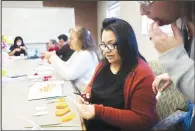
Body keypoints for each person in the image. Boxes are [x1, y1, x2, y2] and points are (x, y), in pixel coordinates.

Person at [75, 18, 159, 131]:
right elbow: (91, 86)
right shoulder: (103, 65)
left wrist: (98, 111)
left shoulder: (142, 73)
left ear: (126, 44)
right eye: (104, 45)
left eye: (111, 45)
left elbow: (142, 120)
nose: (105, 51)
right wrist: (85, 95)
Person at [140, 1, 195, 129]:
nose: (142, 11)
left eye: (145, 1)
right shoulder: (186, 26)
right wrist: (173, 73)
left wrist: (175, 60)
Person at [44, 27, 99, 92]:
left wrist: (53, 57)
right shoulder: (78, 52)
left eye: (71, 39)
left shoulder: (85, 54)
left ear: (80, 40)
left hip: (85, 93)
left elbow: (69, 75)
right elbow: (66, 65)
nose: (69, 41)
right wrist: (53, 57)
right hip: (79, 90)